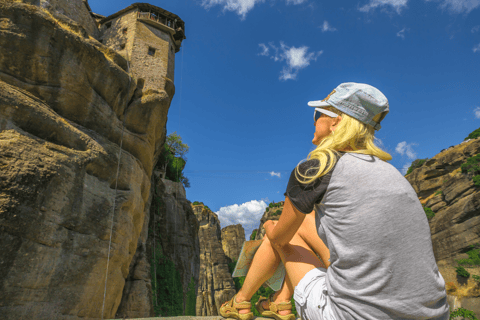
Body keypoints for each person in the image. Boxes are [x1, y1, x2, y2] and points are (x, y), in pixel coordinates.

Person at [219, 82, 450, 320]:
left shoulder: (317, 168)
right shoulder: (393, 174)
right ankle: (280, 302)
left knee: (279, 232)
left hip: (353, 315)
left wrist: (269, 228)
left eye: (318, 114)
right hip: (434, 314)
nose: (314, 120)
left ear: (336, 121)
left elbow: (280, 239)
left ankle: (241, 301)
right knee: (305, 220)